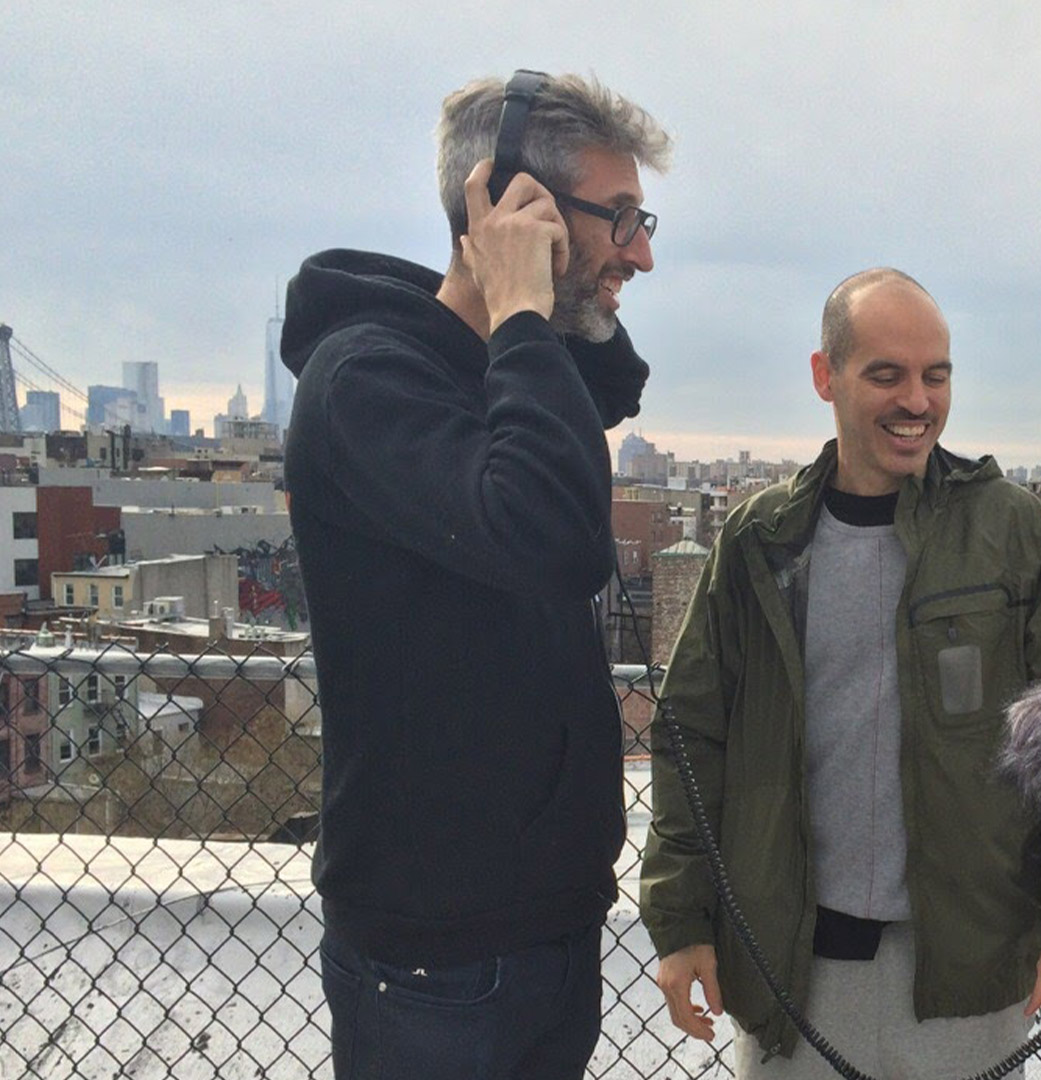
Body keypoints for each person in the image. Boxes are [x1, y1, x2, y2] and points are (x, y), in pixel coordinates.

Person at [281, 72, 669, 1079]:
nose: (642, 251)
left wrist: (527, 315)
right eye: (620, 217)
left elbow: (615, 380)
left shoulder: (502, 365)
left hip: (546, 923)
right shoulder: (366, 379)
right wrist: (526, 312)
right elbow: (546, 536)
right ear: (504, 208)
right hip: (432, 959)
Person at [640, 268, 1041, 1078]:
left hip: (965, 968)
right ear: (826, 376)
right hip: (792, 964)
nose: (917, 400)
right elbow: (693, 735)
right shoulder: (762, 540)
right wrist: (681, 920)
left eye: (936, 375)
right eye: (886, 374)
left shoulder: (1009, 529)